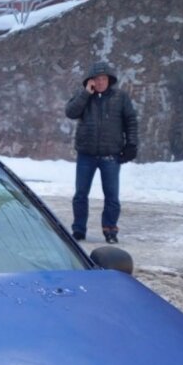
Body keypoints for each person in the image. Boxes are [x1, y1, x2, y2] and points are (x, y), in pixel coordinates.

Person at [65, 61, 139, 244]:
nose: (100, 82)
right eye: (97, 79)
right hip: (86, 154)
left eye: (104, 79)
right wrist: (85, 94)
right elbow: (71, 112)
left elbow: (131, 121)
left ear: (109, 80)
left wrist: (132, 144)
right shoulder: (83, 95)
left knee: (112, 196)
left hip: (110, 155)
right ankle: (79, 229)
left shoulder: (120, 97)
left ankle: (110, 230)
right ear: (90, 81)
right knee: (80, 194)